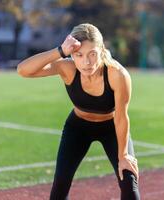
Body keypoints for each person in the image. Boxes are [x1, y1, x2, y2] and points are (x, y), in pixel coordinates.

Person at [17, 23, 140, 200]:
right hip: (78, 128)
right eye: (79, 55)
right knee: (60, 184)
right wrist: (60, 51)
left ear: (102, 50)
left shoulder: (117, 74)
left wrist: (124, 156)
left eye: (92, 54)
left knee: (128, 179)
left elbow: (121, 117)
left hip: (111, 127)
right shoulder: (67, 68)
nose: (86, 62)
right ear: (72, 54)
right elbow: (23, 70)